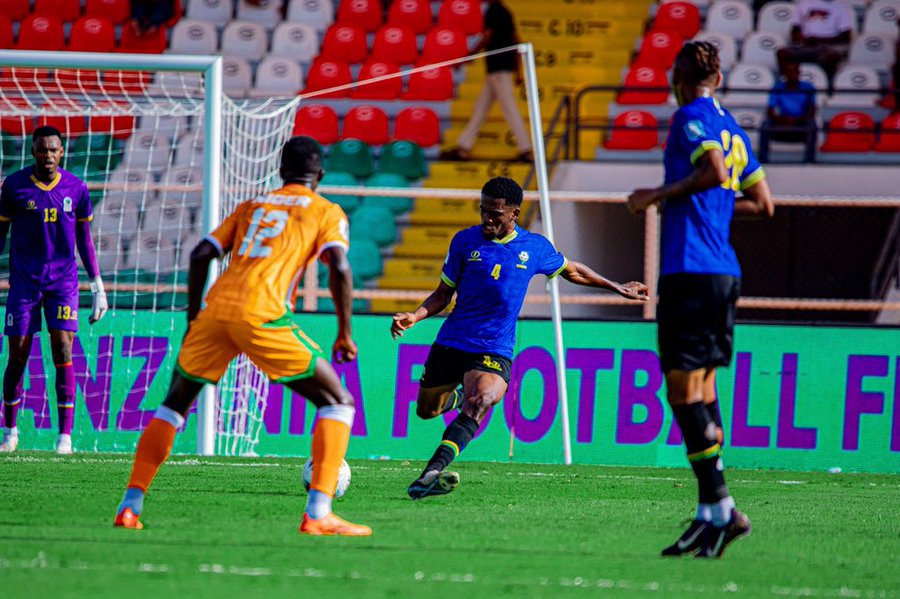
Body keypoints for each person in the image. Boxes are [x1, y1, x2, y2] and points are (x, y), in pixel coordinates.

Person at [113, 136, 371, 537]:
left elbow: (201, 254)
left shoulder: (252, 206)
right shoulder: (326, 210)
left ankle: (130, 505)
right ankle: (319, 512)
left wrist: (195, 319)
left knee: (173, 407)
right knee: (338, 401)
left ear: (281, 172)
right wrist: (345, 332)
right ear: (319, 175)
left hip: (216, 311)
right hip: (262, 313)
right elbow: (338, 266)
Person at [391, 176, 649, 499]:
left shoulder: (535, 248)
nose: (487, 218)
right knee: (427, 410)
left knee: (483, 400)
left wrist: (617, 287)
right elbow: (444, 293)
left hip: (495, 347)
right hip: (453, 341)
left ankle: (431, 472)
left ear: (514, 214)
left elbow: (573, 270)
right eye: (483, 210)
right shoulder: (464, 242)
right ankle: (455, 398)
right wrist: (414, 316)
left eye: (495, 214)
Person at [627, 41, 774, 559]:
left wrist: (655, 194)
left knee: (684, 395)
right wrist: (715, 205)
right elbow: (763, 202)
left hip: (691, 271)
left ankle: (721, 506)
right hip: (723, 272)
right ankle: (710, 516)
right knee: (704, 392)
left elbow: (711, 171)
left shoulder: (690, 116)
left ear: (679, 75)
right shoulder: (732, 125)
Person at [0, 126, 108, 455]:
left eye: (53, 150)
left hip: (63, 282)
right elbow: (0, 235)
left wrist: (98, 285)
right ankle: (10, 431)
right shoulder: (14, 186)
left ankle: (65, 438)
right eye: (42, 150)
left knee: (63, 348)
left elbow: (84, 240)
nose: (48, 156)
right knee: (18, 353)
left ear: (62, 153)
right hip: (23, 282)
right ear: (32, 151)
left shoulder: (76, 188)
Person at [441, 0, 533, 162]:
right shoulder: (505, 11)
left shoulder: (495, 11)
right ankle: (464, 147)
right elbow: (516, 40)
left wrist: (468, 56)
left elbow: (487, 36)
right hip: (497, 69)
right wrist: (518, 71)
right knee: (480, 108)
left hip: (499, 68)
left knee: (509, 108)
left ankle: (526, 150)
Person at [777, 0, 854, 82]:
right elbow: (795, 29)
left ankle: (828, 85)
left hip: (829, 45)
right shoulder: (804, 4)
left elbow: (846, 36)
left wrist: (819, 40)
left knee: (831, 58)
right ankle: (786, 85)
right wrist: (801, 39)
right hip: (806, 44)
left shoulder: (840, 7)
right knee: (782, 53)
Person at [759, 59, 817, 163]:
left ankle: (809, 160)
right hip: (782, 122)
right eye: (789, 72)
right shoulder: (778, 87)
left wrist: (797, 120)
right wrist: (783, 119)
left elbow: (811, 111)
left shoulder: (808, 87)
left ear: (799, 73)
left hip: (800, 123)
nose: (792, 75)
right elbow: (770, 110)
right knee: (765, 124)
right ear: (784, 74)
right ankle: (763, 159)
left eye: (794, 71)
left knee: (812, 125)